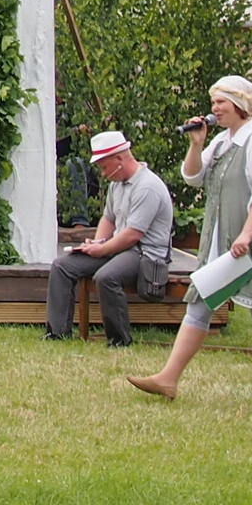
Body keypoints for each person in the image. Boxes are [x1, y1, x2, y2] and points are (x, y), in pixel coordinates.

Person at [128, 75, 252, 408]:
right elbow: (193, 177)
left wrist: (247, 235)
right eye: (213, 103)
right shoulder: (221, 142)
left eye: (221, 102)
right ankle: (168, 379)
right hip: (222, 244)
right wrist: (196, 144)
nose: (214, 108)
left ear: (240, 104)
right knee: (200, 304)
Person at [43, 130, 174, 345]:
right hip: (120, 246)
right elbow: (108, 218)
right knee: (62, 266)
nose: (103, 174)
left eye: (104, 167)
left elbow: (133, 235)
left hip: (144, 253)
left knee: (106, 277)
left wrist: (102, 249)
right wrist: (98, 242)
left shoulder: (147, 187)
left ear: (120, 159)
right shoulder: (117, 184)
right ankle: (57, 333)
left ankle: (119, 339)